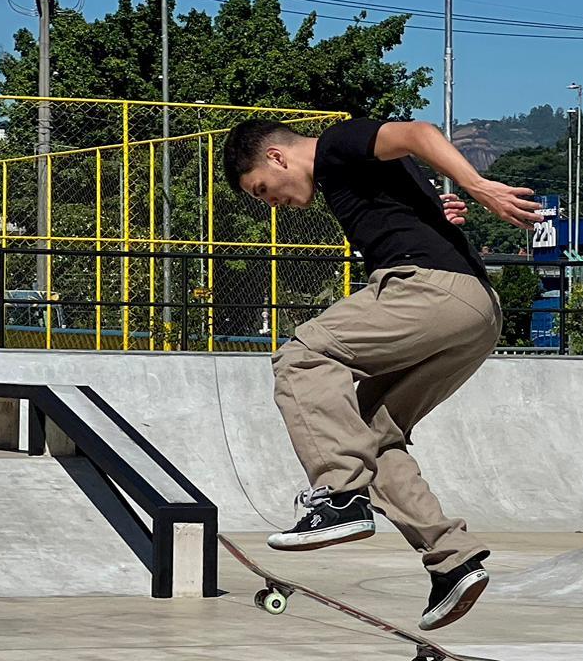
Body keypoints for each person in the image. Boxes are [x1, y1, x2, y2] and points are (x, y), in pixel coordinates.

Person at [223, 117, 543, 630]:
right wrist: (436, 210)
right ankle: (452, 559)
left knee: (301, 357)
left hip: (428, 290)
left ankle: (340, 495)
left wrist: (477, 185)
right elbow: (406, 189)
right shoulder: (353, 177)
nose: (272, 204)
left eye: (263, 190)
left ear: (277, 157)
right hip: (475, 314)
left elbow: (417, 132)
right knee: (373, 431)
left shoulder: (335, 146)